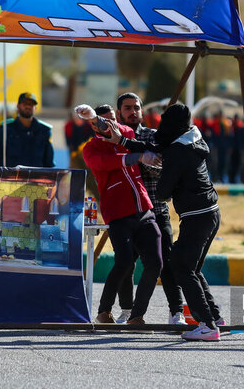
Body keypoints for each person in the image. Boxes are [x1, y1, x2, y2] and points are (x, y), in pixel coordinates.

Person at [82, 105, 162, 325]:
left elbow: (130, 137)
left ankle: (136, 315)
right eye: (104, 122)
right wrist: (135, 157)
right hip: (117, 212)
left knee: (155, 263)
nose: (111, 126)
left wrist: (134, 151)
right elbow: (104, 163)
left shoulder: (125, 134)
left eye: (114, 121)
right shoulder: (91, 148)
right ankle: (103, 311)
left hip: (144, 208)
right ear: (93, 124)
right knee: (125, 262)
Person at [113, 93, 186, 325]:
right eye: (127, 108)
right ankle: (127, 311)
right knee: (125, 264)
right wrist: (135, 157)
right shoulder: (112, 139)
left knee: (165, 262)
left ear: (142, 112)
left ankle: (176, 312)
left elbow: (162, 169)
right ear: (118, 113)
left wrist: (141, 159)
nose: (132, 111)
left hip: (155, 209)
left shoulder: (153, 136)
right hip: (126, 213)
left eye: (136, 107)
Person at [153, 104, 224, 341]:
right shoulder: (193, 140)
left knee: (181, 266)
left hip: (197, 216)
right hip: (210, 213)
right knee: (191, 267)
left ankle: (207, 325)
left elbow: (163, 192)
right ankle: (215, 317)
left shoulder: (176, 151)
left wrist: (159, 168)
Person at [0, 92, 54, 167]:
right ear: (18, 106)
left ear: (35, 108)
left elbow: (48, 162)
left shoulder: (44, 130)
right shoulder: (5, 129)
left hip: (36, 177)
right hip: (12, 177)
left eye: (31, 104)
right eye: (25, 103)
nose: (28, 106)